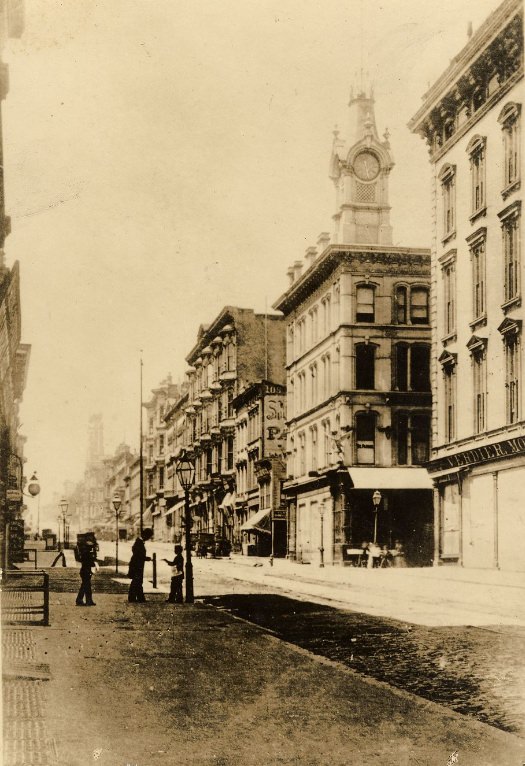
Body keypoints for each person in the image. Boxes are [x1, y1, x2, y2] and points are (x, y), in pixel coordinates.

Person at [127, 528, 153, 603]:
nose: (148, 539)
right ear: (145, 535)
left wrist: (145, 558)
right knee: (136, 581)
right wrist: (146, 558)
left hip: (137, 564)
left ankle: (139, 598)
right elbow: (138, 554)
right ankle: (133, 598)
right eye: (148, 537)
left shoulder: (139, 541)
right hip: (136, 565)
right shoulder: (139, 542)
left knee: (137, 581)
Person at [76, 540, 97, 606]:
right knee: (86, 587)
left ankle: (85, 600)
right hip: (86, 572)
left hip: (85, 572)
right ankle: (85, 600)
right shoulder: (87, 554)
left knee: (85, 586)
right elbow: (91, 563)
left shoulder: (85, 553)